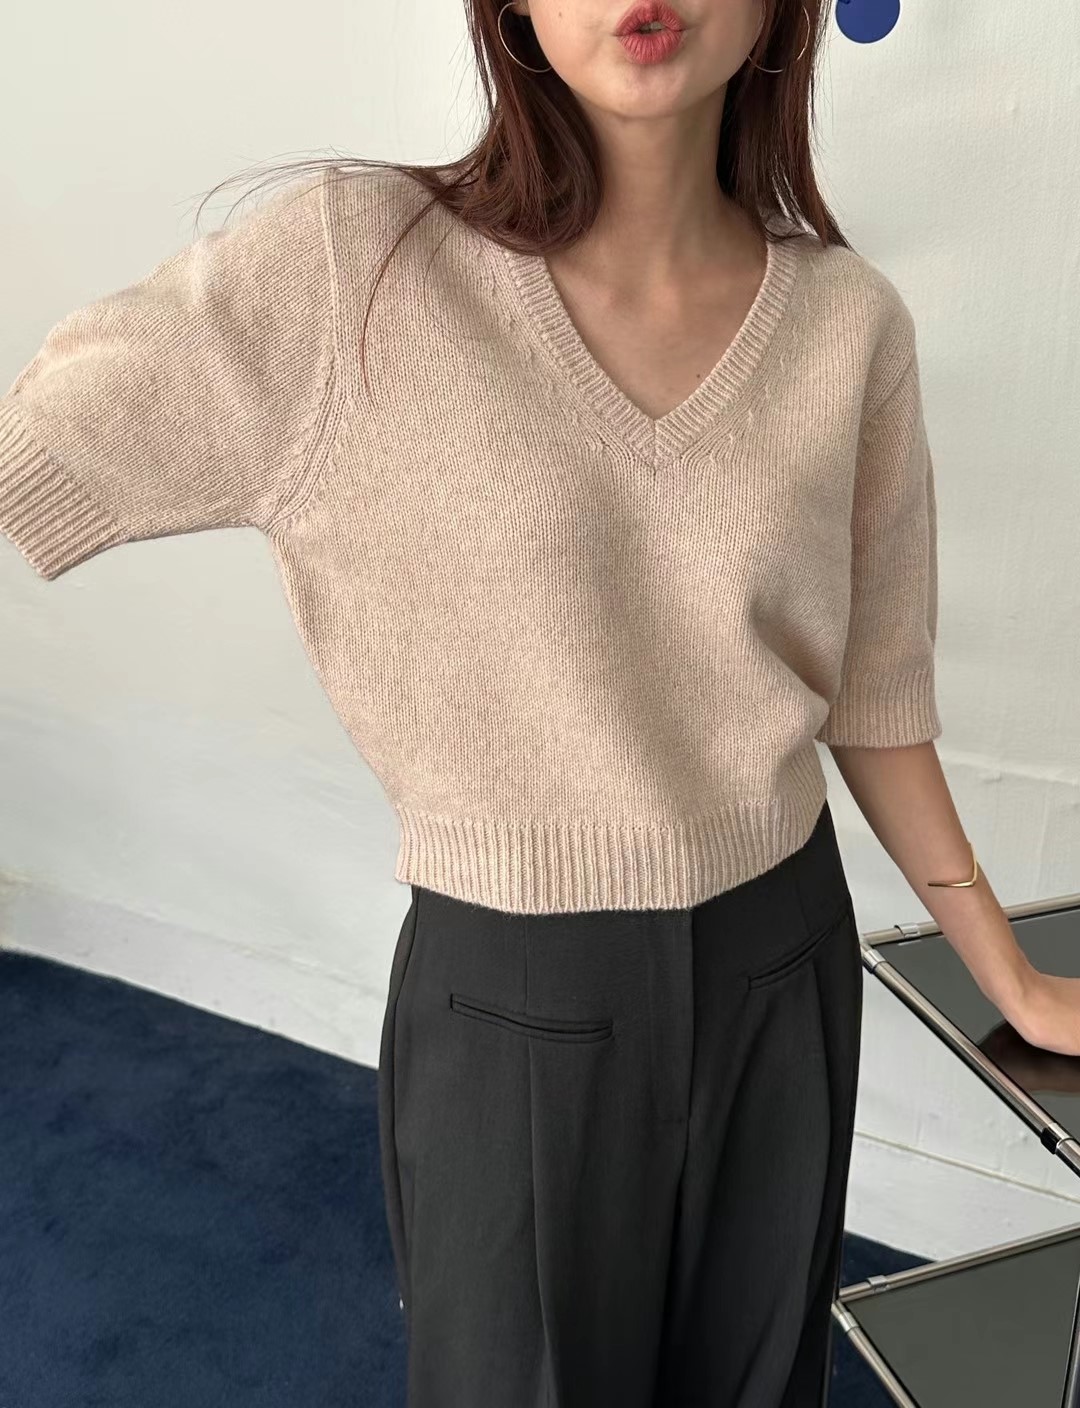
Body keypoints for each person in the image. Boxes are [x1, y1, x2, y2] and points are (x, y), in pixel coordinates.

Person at [2, 1, 1075, 1405]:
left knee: (760, 1377)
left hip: (783, 960)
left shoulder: (846, 321)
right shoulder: (356, 267)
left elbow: (875, 692)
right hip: (513, 988)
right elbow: (40, 449)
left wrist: (1004, 971)